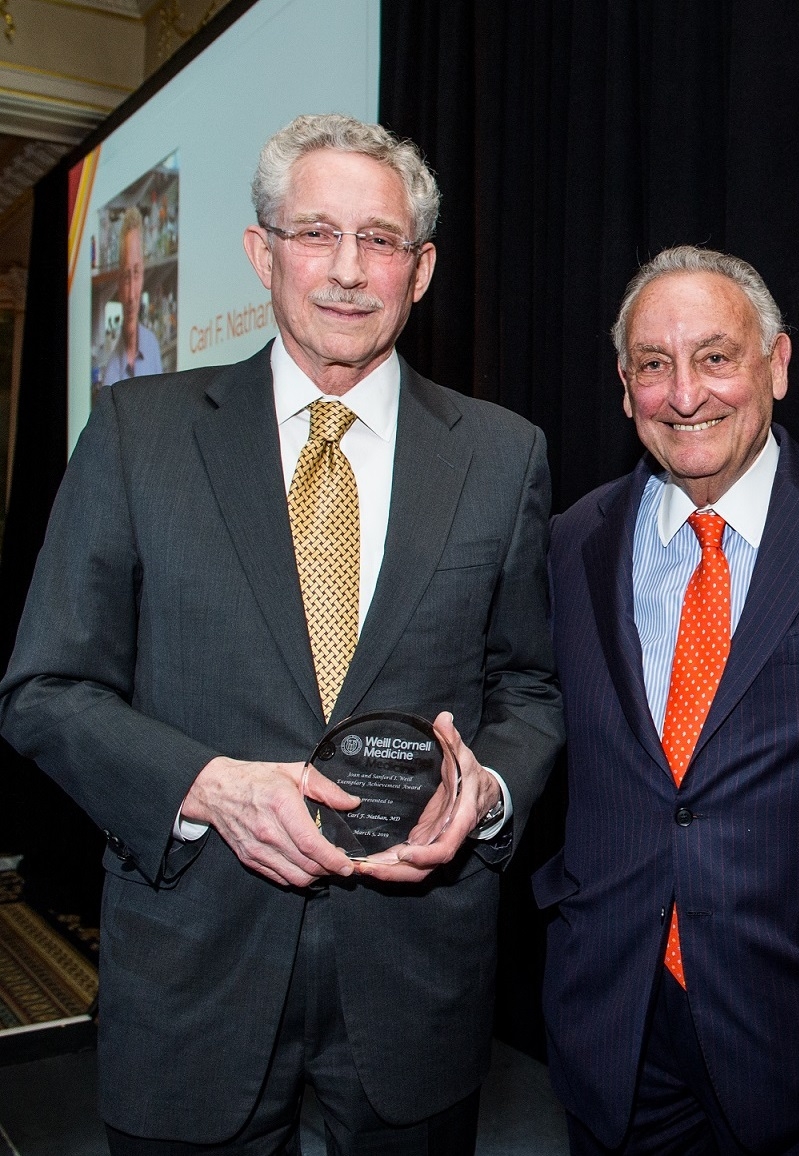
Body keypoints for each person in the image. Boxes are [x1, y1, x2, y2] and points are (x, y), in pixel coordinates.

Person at [0, 114, 563, 1153]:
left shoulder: (501, 454)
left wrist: (483, 794)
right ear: (262, 253)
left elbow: (527, 682)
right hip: (192, 976)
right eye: (316, 234)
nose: (348, 271)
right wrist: (208, 785)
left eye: (381, 240)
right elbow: (44, 689)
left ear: (422, 268)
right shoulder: (139, 436)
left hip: (416, 986)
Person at [539, 245, 799, 1154]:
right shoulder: (572, 540)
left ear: (778, 364)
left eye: (716, 357)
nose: (686, 395)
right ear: (624, 381)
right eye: (654, 365)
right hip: (615, 1019)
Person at [100, 206, 164, 387]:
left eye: (136, 273)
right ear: (119, 284)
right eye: (126, 276)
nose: (131, 295)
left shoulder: (152, 344)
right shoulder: (110, 370)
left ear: (143, 274)